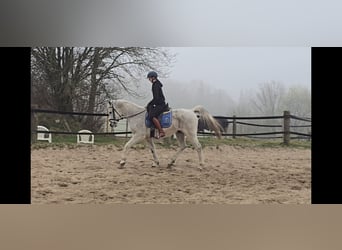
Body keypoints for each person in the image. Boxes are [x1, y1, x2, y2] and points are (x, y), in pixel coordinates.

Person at [146, 71, 168, 138]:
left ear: (153, 78)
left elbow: (156, 98)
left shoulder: (155, 85)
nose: (149, 80)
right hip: (159, 103)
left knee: (152, 116)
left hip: (160, 104)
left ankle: (161, 131)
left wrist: (150, 103)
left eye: (149, 78)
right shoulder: (157, 84)